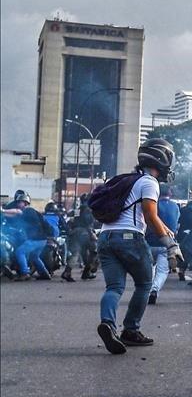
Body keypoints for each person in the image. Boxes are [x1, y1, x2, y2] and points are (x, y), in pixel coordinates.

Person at [94, 139, 181, 355]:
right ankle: (131, 330)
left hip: (105, 237)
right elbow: (150, 216)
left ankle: (108, 324)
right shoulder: (149, 182)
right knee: (145, 283)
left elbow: (147, 215)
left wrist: (165, 228)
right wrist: (169, 244)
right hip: (129, 239)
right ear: (162, 159)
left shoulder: (126, 180)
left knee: (114, 287)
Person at [147, 183, 181, 304]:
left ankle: (148, 290)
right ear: (170, 193)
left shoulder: (152, 205)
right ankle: (154, 289)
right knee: (162, 271)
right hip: (167, 243)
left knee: (150, 268)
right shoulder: (175, 207)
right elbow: (176, 225)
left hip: (149, 242)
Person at [63, 200, 98, 282]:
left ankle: (67, 272)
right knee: (94, 251)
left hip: (75, 232)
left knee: (76, 253)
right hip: (85, 232)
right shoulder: (89, 210)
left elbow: (72, 218)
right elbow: (88, 222)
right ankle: (87, 272)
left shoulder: (78, 209)